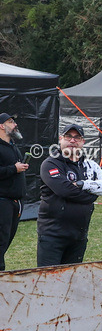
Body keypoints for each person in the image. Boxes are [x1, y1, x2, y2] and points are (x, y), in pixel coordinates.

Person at [37, 124, 102, 267]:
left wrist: (84, 185)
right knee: (48, 281)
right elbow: (64, 190)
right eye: (68, 137)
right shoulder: (50, 163)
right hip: (53, 235)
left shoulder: (89, 165)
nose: (73, 141)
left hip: (79, 236)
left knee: (72, 280)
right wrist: (92, 195)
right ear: (61, 139)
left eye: (77, 137)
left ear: (83, 142)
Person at [0, 113, 28, 270]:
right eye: (10, 121)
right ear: (1, 126)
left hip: (14, 203)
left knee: (5, 242)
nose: (15, 124)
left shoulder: (12, 146)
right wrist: (13, 169)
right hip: (2, 202)